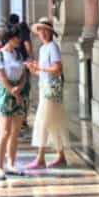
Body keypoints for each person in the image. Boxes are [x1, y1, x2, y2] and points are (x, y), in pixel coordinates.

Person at [26, 17, 68, 168]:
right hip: (45, 87)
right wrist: (34, 70)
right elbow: (44, 72)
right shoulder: (43, 49)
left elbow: (57, 68)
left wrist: (41, 68)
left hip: (51, 89)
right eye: (40, 30)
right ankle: (61, 156)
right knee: (52, 122)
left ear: (50, 32)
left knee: (42, 122)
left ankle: (40, 157)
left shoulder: (52, 47)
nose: (42, 33)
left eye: (45, 30)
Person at [0, 26, 28, 178]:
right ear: (10, 38)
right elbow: (0, 76)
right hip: (5, 94)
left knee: (15, 132)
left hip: (18, 91)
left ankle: (11, 163)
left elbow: (23, 74)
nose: (19, 40)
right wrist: (13, 91)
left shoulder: (18, 54)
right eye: (17, 37)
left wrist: (19, 88)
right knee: (5, 132)